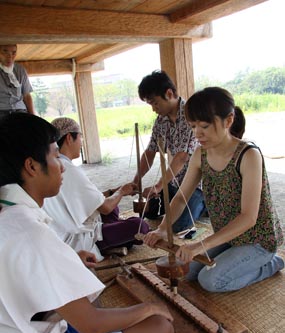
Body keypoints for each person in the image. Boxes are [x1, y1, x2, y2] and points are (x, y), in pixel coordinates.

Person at [0, 112, 174, 333]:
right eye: (55, 157)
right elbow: (91, 325)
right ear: (31, 166)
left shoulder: (8, 212)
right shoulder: (28, 231)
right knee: (162, 325)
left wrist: (67, 259)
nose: (61, 167)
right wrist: (149, 306)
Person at [143, 87, 284, 292]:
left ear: (228, 121)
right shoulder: (201, 154)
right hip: (229, 237)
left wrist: (200, 246)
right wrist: (163, 229)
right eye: (192, 126)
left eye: (205, 126)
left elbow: (248, 217)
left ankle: (271, 263)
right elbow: (182, 198)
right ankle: (238, 259)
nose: (197, 133)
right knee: (187, 270)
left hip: (257, 240)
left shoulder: (248, 155)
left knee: (211, 281)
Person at [43, 117, 150, 262]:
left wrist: (113, 191)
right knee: (140, 226)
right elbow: (105, 207)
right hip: (78, 238)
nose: (82, 142)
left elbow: (89, 198)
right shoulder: (67, 168)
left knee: (114, 209)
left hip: (73, 228)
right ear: (69, 138)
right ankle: (105, 244)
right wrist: (122, 192)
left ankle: (115, 236)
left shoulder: (57, 164)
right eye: (80, 136)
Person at [133, 70, 205, 234]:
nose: (153, 109)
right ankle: (179, 202)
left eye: (155, 103)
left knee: (179, 227)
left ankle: (205, 204)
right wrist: (137, 181)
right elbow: (150, 152)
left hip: (195, 183)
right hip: (173, 181)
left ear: (169, 93)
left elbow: (181, 157)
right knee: (150, 211)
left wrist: (158, 186)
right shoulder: (161, 121)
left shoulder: (190, 114)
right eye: (150, 104)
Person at [0, 44, 35, 120]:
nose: (10, 56)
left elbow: (26, 95)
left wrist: (33, 118)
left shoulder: (20, 70)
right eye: (5, 52)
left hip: (20, 111)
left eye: (13, 53)